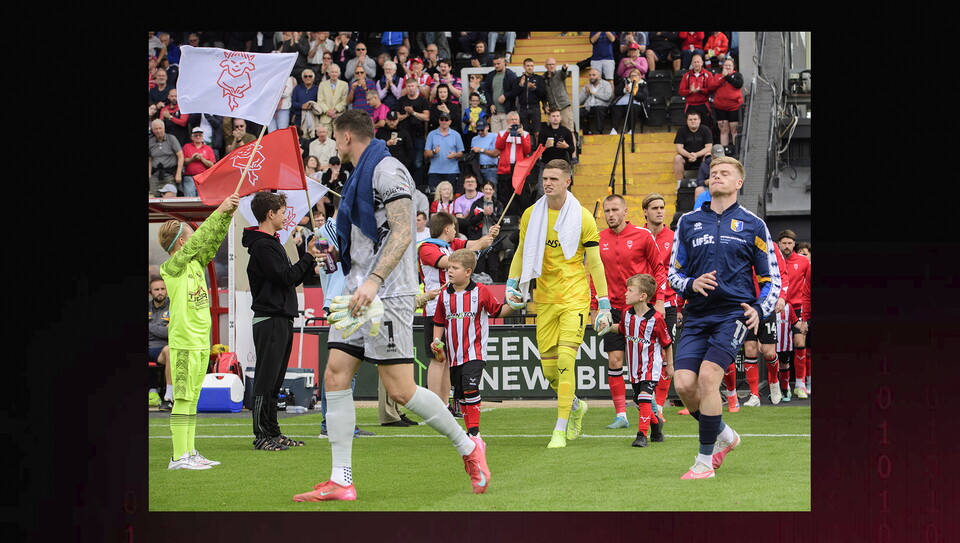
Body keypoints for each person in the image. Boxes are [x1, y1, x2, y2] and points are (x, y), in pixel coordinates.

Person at [291, 109, 490, 501]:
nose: (333, 144)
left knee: (399, 389)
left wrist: (375, 279)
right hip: (356, 292)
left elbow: (403, 231)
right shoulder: (359, 175)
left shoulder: (387, 169)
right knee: (334, 376)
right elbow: (371, 234)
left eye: (334, 136)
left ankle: (469, 447)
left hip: (388, 295)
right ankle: (341, 479)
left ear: (347, 136)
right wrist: (335, 249)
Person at [666, 156, 781, 479]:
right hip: (696, 314)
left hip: (733, 313)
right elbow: (672, 272)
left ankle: (704, 462)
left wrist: (759, 309)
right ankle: (725, 435)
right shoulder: (688, 222)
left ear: (738, 183)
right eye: (713, 173)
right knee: (685, 385)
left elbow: (771, 278)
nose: (716, 176)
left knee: (707, 378)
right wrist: (691, 283)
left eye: (724, 173)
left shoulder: (753, 225)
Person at [504, 159, 610, 448]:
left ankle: (560, 429)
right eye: (545, 178)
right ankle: (576, 406)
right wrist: (513, 282)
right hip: (545, 299)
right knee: (550, 370)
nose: (547, 183)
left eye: (553, 178)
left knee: (566, 361)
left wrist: (603, 304)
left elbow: (596, 264)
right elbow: (523, 251)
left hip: (574, 297)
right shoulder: (531, 215)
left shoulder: (583, 217)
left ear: (567, 182)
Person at [157, 192, 240, 469]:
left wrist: (226, 217)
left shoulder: (193, 263)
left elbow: (211, 241)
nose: (195, 238)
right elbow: (200, 241)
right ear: (182, 241)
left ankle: (189, 452)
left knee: (192, 400)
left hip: (201, 342)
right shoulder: (172, 267)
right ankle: (178, 456)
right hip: (183, 344)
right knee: (182, 399)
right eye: (191, 234)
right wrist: (218, 210)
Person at [242, 192, 325, 451]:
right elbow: (286, 277)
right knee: (267, 379)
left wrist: (307, 259)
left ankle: (273, 431)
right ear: (270, 214)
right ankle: (261, 435)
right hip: (270, 318)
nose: (285, 215)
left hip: (280, 317)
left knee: (275, 380)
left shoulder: (272, 243)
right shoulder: (263, 246)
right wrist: (308, 257)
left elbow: (287, 277)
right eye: (282, 211)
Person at [596, 193, 667, 429]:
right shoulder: (600, 239)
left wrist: (659, 302)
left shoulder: (643, 235)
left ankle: (652, 407)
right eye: (607, 211)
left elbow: (658, 269)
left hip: (640, 309)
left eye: (615, 210)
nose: (611, 215)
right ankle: (621, 415)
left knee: (643, 364)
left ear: (626, 212)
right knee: (615, 361)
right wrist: (595, 305)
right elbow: (595, 275)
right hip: (613, 308)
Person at [418, 212, 499, 413]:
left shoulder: (451, 244)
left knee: (447, 359)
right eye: (454, 227)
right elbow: (449, 262)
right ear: (447, 228)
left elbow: (473, 243)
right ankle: (434, 405)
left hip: (452, 308)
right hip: (433, 306)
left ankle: (445, 404)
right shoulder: (426, 247)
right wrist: (477, 247)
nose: (456, 231)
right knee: (437, 357)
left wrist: (489, 236)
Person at [433, 249, 514, 437]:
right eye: (448, 268)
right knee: (460, 394)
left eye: (455, 268)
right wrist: (436, 341)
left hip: (474, 352)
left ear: (468, 272)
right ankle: (470, 431)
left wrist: (514, 305)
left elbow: (497, 312)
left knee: (470, 386)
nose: (450, 271)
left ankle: (474, 430)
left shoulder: (481, 291)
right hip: (454, 355)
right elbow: (439, 321)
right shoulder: (444, 295)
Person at [616, 273, 674, 447]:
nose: (626, 293)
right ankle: (656, 426)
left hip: (651, 367)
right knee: (639, 400)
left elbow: (667, 343)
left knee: (643, 397)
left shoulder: (656, 319)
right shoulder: (626, 314)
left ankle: (642, 435)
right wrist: (604, 327)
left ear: (642, 296)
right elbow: (620, 330)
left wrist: (669, 365)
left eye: (630, 290)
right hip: (634, 368)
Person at [641, 193, 681, 419]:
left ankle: (659, 407)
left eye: (662, 207)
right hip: (642, 303)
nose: (659, 211)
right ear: (645, 212)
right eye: (654, 207)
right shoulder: (638, 236)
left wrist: (680, 304)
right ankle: (645, 403)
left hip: (667, 303)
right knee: (645, 354)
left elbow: (679, 272)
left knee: (666, 355)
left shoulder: (674, 238)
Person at [739, 237, 790, 407]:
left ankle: (774, 383)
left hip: (766, 303)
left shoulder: (771, 246)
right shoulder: (738, 242)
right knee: (750, 349)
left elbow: (782, 274)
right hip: (746, 303)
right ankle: (754, 395)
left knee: (769, 353)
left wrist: (781, 297)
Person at [777, 229, 811, 400]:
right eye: (784, 243)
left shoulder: (804, 262)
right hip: (779, 309)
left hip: (797, 308)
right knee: (780, 351)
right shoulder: (774, 261)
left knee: (800, 343)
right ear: (779, 244)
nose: (787, 246)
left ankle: (800, 384)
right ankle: (782, 388)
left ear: (794, 245)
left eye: (790, 243)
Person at [495, 110, 533, 215]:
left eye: (516, 120)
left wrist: (521, 136)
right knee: (505, 194)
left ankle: (522, 217)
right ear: (507, 122)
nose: (514, 122)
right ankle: (508, 218)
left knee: (521, 195)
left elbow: (527, 150)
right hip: (505, 169)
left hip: (519, 170)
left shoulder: (525, 134)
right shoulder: (502, 133)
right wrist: (507, 132)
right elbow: (498, 146)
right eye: (512, 120)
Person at [397, 77, 431, 189]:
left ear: (417, 87)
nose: (411, 88)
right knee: (406, 162)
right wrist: (406, 115)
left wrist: (413, 113)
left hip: (418, 135)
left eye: (413, 86)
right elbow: (396, 117)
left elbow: (426, 117)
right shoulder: (401, 100)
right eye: (409, 86)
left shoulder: (422, 101)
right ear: (406, 87)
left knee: (418, 163)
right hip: (404, 136)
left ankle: (417, 187)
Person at [466, 180, 504, 279]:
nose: (488, 191)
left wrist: (491, 215)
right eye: (486, 189)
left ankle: (495, 286)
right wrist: (482, 214)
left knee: (493, 267)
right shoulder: (476, 203)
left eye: (490, 189)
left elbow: (501, 222)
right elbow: (471, 221)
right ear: (482, 190)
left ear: (493, 191)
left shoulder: (498, 204)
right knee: (479, 266)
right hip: (479, 239)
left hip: (493, 240)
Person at [678, 54, 720, 138]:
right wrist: (690, 91)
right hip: (690, 105)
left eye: (698, 62)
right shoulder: (686, 76)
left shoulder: (708, 74)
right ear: (692, 64)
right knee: (690, 128)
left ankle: (708, 146)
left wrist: (701, 90)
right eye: (694, 62)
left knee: (706, 127)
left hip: (703, 104)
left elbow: (711, 90)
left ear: (702, 63)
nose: (696, 64)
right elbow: (681, 92)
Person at [148, 276, 173, 411]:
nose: (160, 292)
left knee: (170, 350)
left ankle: (168, 397)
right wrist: (162, 328)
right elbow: (165, 330)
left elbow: (170, 333)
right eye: (156, 289)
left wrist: (150, 327)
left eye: (163, 289)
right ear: (150, 292)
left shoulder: (173, 307)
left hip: (162, 348)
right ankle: (151, 390)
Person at [424, 113, 464, 194]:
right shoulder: (432, 134)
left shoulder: (456, 135)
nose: (444, 122)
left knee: (451, 196)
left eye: (446, 120)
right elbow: (426, 153)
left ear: (450, 122)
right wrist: (434, 152)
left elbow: (461, 153)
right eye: (442, 119)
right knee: (434, 197)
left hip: (452, 171)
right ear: (439, 121)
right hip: (435, 171)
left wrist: (455, 155)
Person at [673, 110, 712, 188]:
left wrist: (696, 155)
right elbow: (679, 148)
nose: (693, 121)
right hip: (687, 158)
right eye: (690, 119)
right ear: (687, 121)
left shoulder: (705, 130)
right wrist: (689, 155)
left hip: (701, 157)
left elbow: (709, 147)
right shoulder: (681, 130)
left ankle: (708, 182)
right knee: (677, 158)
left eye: (695, 119)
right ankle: (680, 184)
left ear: (699, 120)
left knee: (708, 155)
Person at [510, 58, 547, 142]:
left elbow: (543, 94)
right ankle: (525, 153)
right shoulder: (519, 79)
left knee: (537, 132)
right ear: (524, 66)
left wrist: (534, 88)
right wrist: (520, 85)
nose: (530, 68)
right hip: (522, 108)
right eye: (528, 66)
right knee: (524, 133)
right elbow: (513, 94)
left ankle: (539, 154)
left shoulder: (538, 78)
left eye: (531, 66)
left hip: (535, 107)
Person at [712, 58, 744, 152]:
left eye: (730, 65)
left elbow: (738, 84)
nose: (728, 67)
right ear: (722, 66)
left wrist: (727, 77)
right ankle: (724, 152)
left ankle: (736, 150)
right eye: (726, 65)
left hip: (734, 107)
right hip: (720, 107)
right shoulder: (717, 76)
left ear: (733, 67)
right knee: (723, 130)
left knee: (734, 130)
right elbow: (712, 86)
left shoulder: (737, 75)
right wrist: (723, 78)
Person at [482, 53, 518, 134]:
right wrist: (490, 104)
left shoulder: (511, 75)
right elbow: (486, 91)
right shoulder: (490, 75)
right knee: (496, 139)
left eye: (498, 63)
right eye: (494, 64)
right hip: (495, 113)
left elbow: (515, 91)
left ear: (504, 62)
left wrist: (506, 95)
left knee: (507, 138)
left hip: (507, 112)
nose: (496, 66)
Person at [148, 119, 183, 198]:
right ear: (153, 130)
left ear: (164, 128)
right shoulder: (150, 142)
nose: (158, 131)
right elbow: (149, 159)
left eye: (160, 128)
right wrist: (149, 175)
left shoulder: (171, 139)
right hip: (155, 175)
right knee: (153, 198)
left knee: (169, 196)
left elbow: (180, 156)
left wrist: (178, 173)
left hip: (169, 175)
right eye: (156, 129)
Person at [609, 68, 648, 136]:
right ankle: (614, 129)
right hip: (622, 102)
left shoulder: (643, 84)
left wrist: (632, 92)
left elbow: (643, 96)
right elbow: (616, 92)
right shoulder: (625, 82)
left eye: (635, 76)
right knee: (616, 108)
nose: (633, 77)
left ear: (639, 76)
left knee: (633, 108)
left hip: (635, 103)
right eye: (631, 76)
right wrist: (624, 90)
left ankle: (631, 129)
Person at [181, 127, 215, 198]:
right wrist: (192, 159)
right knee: (189, 199)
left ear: (202, 137)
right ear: (192, 137)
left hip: (203, 177)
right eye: (196, 135)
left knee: (203, 198)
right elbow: (183, 162)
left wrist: (201, 159)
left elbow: (212, 165)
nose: (198, 137)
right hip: (190, 177)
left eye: (200, 135)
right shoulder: (186, 146)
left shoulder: (208, 148)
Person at [542, 57, 574, 132]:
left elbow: (564, 74)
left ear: (556, 65)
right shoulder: (543, 79)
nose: (551, 66)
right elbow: (543, 95)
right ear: (545, 66)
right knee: (551, 132)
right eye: (549, 64)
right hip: (553, 109)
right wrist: (545, 105)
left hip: (564, 106)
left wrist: (564, 68)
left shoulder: (559, 74)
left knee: (569, 131)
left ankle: (572, 144)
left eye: (553, 64)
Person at [315, 64, 349, 132]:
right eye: (332, 72)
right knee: (326, 140)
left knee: (340, 139)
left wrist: (335, 110)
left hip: (339, 116)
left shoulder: (344, 84)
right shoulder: (322, 84)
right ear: (329, 73)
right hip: (325, 117)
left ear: (339, 74)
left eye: (336, 72)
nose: (334, 74)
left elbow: (345, 100)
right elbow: (320, 101)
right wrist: (328, 111)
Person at [579, 68, 613, 136]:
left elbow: (607, 97)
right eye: (590, 75)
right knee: (576, 112)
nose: (591, 77)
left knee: (598, 108)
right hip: (589, 107)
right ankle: (587, 131)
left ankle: (600, 131)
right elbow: (579, 101)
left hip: (602, 106)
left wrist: (594, 93)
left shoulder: (606, 84)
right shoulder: (587, 86)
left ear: (599, 76)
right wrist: (586, 93)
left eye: (594, 75)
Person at [469, 119, 500, 186]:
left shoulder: (494, 136)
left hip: (490, 169)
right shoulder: (474, 139)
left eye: (482, 130)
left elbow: (496, 153)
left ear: (487, 127)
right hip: (477, 169)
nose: (480, 132)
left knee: (491, 190)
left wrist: (481, 150)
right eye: (478, 130)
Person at [291, 69, 319, 137]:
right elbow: (293, 103)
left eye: (310, 76)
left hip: (313, 117)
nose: (308, 78)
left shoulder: (317, 88)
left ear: (313, 78)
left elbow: (320, 102)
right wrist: (301, 106)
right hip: (299, 117)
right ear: (302, 78)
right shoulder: (297, 89)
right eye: (305, 76)